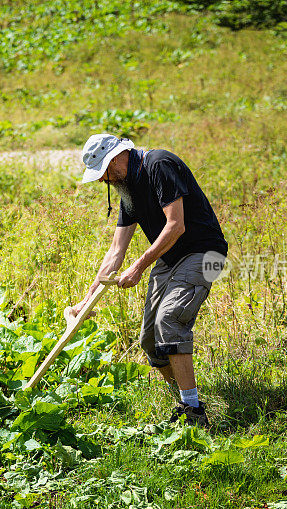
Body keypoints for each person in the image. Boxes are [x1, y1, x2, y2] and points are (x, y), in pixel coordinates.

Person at [69, 133, 228, 427]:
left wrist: (140, 266)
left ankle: (193, 411)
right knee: (150, 339)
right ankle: (179, 396)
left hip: (205, 253)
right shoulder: (128, 191)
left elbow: (176, 225)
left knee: (170, 319)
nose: (104, 180)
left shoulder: (159, 164)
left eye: (105, 171)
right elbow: (116, 251)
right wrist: (88, 298)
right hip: (170, 258)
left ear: (117, 157)